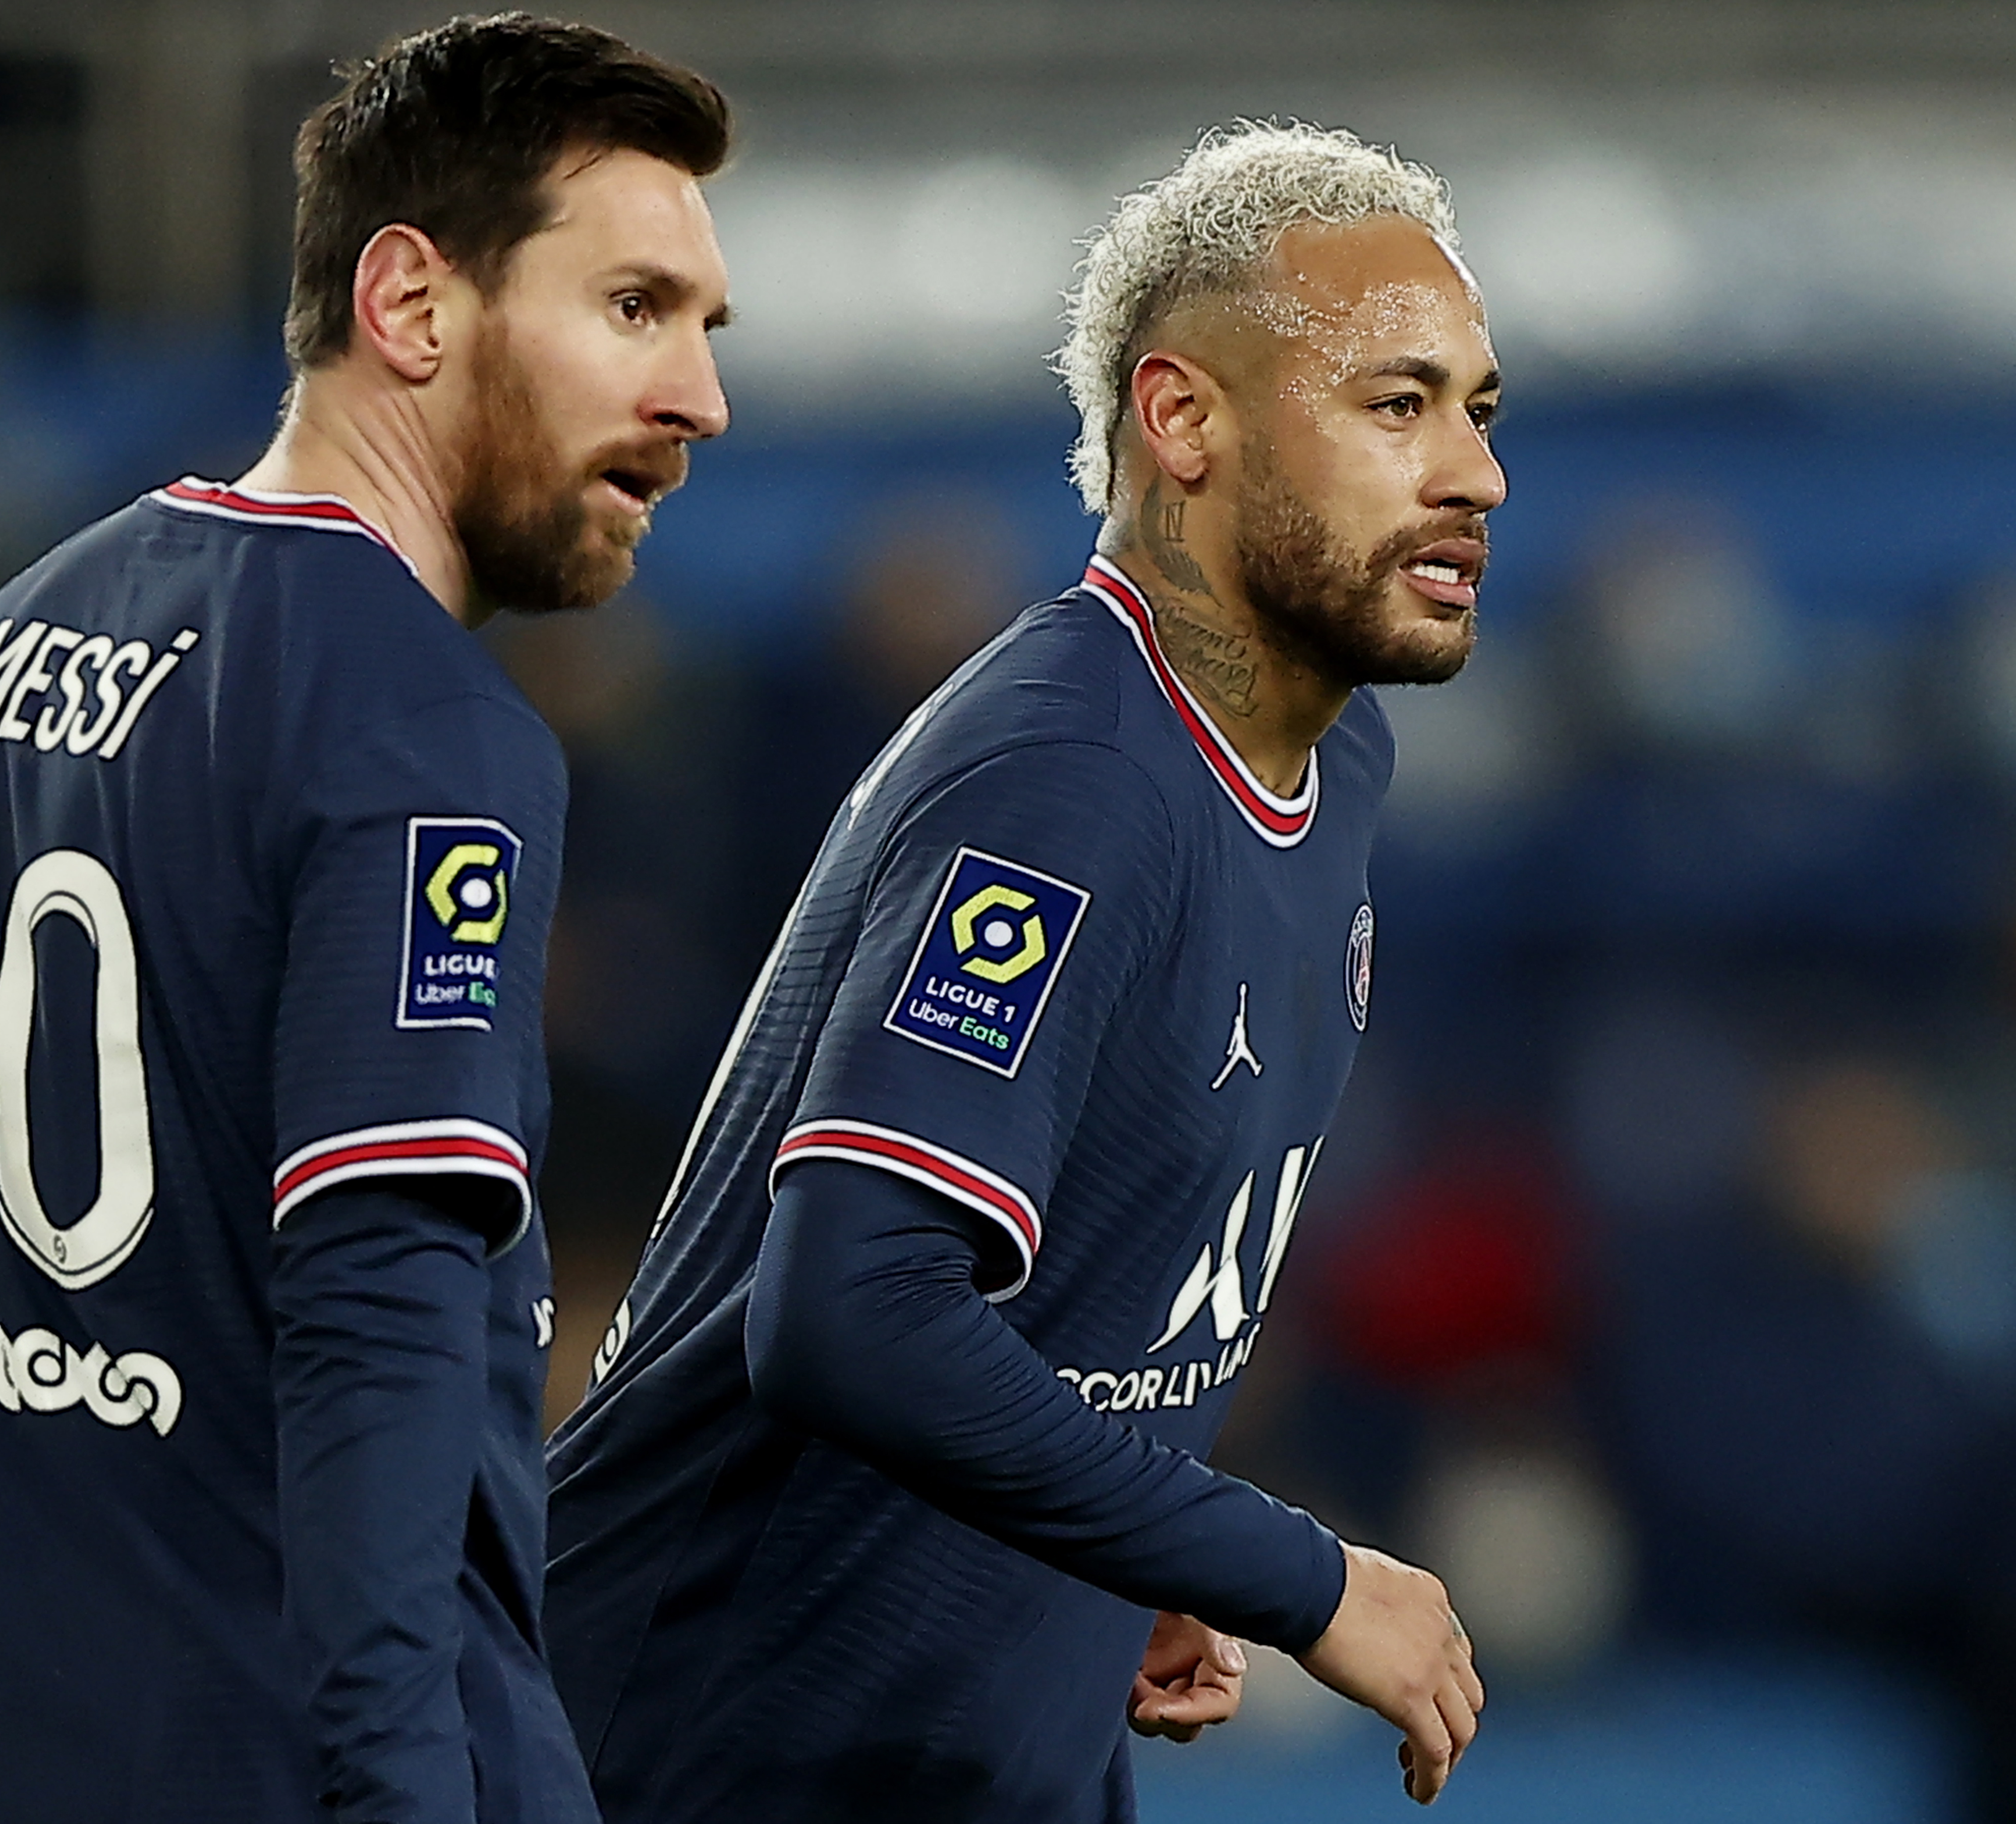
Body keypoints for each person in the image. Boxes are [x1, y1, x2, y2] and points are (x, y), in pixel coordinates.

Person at [0, 15, 731, 1824]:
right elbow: (379, 1319)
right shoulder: (420, 732)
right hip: (239, 1753)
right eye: (634, 307)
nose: (700, 394)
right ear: (413, 303)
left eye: (705, 325)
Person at [545, 121, 1501, 1821]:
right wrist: (1299, 1570)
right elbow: (850, 1310)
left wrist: (1110, 1550)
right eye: (1396, 403)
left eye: (1478, 412)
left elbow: (1081, 1322)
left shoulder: (1321, 768)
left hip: (972, 1748)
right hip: (708, 1757)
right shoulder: (1071, 780)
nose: (1475, 476)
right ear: (1182, 417)